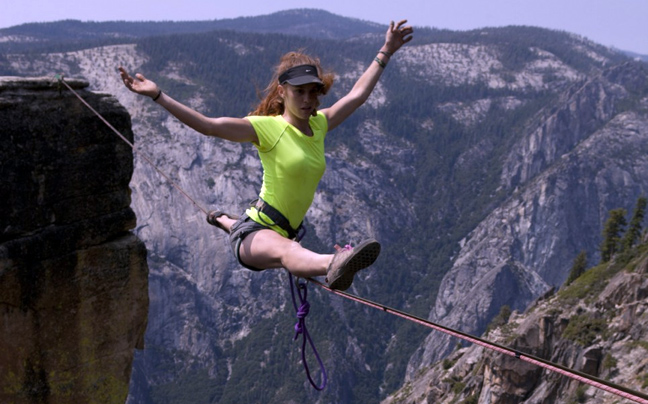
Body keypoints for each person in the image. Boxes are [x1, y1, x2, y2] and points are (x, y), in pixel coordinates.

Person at [119, 20, 414, 291]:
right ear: (282, 92)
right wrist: (158, 95)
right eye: (300, 93)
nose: (309, 100)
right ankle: (334, 263)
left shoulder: (319, 124)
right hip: (255, 235)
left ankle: (222, 219)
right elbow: (209, 126)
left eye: (314, 92)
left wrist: (386, 51)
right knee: (290, 253)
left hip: (280, 230)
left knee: (284, 244)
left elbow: (356, 96)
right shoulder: (266, 129)